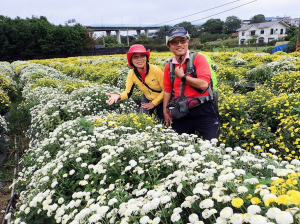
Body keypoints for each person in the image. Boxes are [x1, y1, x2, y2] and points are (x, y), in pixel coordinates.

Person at [163, 27, 220, 140]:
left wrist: (183, 76)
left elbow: (204, 84)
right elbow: (167, 91)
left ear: (188, 41)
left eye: (182, 41)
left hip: (203, 109)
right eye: (174, 42)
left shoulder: (199, 59)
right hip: (181, 111)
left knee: (211, 144)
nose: (179, 44)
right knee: (180, 146)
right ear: (169, 46)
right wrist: (165, 111)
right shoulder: (168, 66)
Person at [106, 44, 164, 121]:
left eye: (142, 56)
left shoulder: (156, 70)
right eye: (135, 57)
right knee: (142, 120)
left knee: (164, 120)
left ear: (146, 58)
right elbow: (127, 93)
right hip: (147, 98)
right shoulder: (132, 73)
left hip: (163, 98)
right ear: (131, 60)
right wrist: (118, 96)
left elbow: (166, 90)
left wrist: (153, 103)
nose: (139, 59)